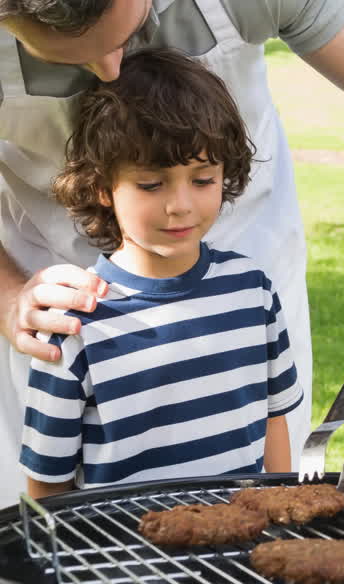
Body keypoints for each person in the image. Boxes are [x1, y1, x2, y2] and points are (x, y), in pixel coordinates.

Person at [0, 0, 344, 509]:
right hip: (50, 295)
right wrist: (10, 297)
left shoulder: (253, 297)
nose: (110, 72)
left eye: (124, 34)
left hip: (247, 262)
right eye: (69, 57)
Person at [20, 49, 301, 497]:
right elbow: (46, 487)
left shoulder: (253, 294)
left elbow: (274, 419)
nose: (181, 205)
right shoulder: (74, 327)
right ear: (102, 188)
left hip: (243, 560)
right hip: (127, 566)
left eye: (203, 180)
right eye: (151, 184)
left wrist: (280, 520)